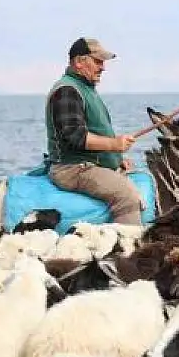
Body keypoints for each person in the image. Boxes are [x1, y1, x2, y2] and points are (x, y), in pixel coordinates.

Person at [44, 37, 144, 225]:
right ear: (80, 62)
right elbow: (75, 137)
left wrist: (116, 160)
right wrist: (115, 145)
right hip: (72, 169)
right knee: (127, 195)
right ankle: (128, 249)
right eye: (98, 61)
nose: (103, 67)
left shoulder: (84, 89)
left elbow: (94, 132)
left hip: (87, 165)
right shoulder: (67, 90)